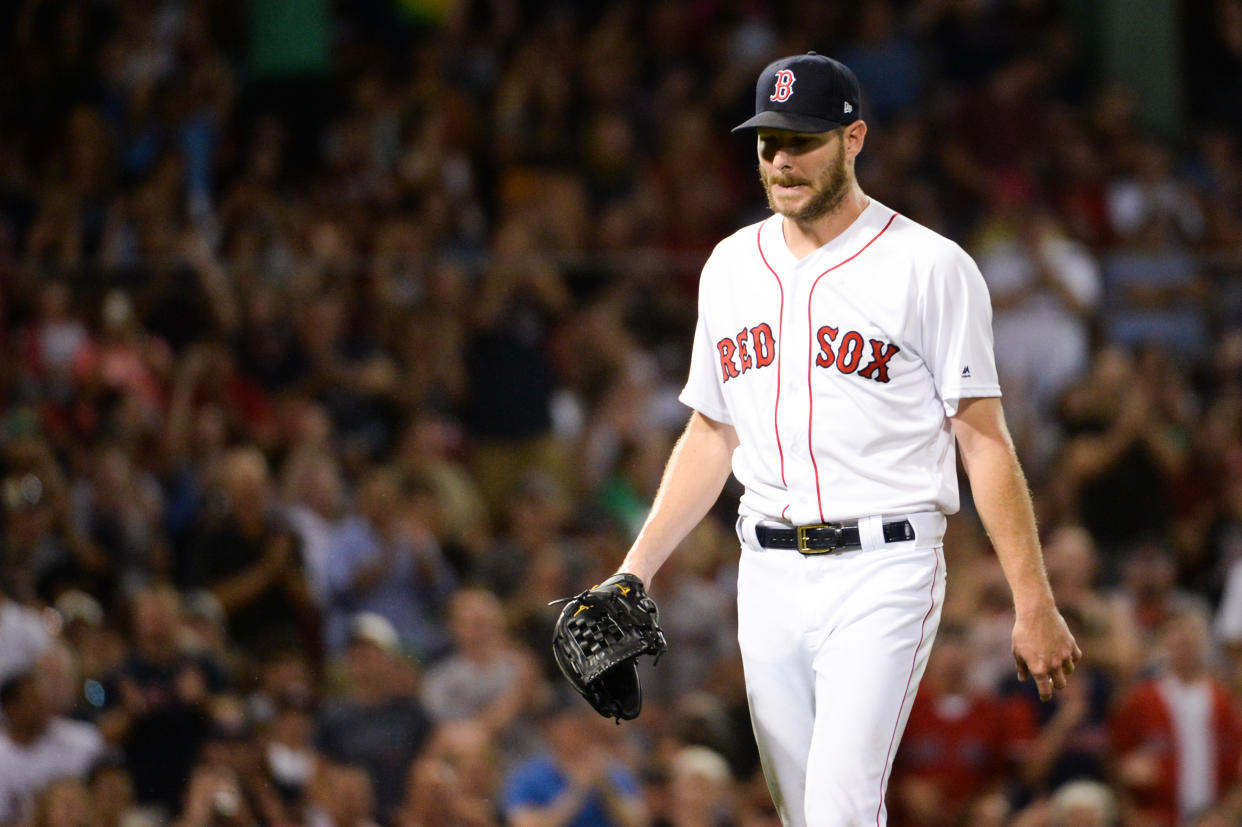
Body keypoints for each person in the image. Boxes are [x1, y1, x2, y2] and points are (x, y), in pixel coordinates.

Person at [609, 52, 1080, 825]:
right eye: (768, 143)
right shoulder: (730, 266)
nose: (782, 160)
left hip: (886, 568)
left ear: (854, 137)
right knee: (805, 812)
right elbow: (710, 429)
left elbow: (984, 440)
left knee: (838, 807)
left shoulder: (930, 266)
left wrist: (1033, 600)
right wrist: (636, 568)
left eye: (803, 140)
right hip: (764, 571)